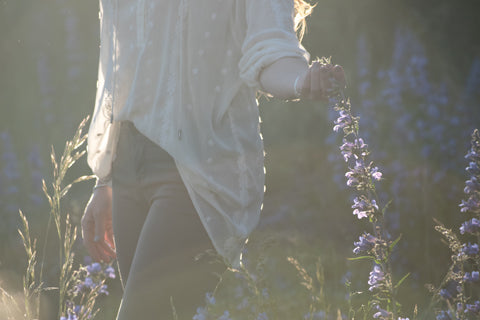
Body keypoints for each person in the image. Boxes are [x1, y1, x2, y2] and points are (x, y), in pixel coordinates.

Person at [81, 0, 345, 319]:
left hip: (200, 172)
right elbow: (119, 66)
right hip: (128, 163)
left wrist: (300, 80)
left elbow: (270, 47)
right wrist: (105, 179)